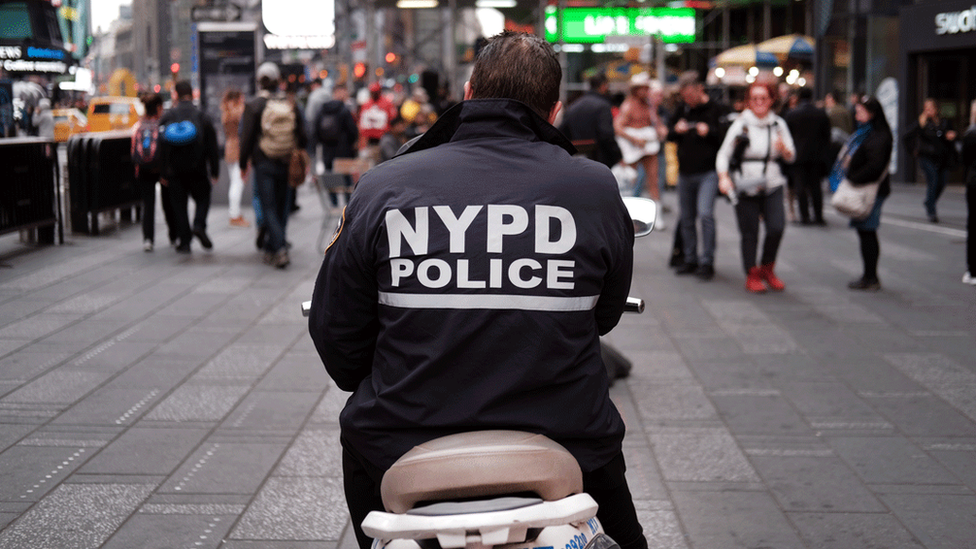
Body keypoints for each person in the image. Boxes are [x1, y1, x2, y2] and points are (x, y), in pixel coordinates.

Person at [308, 31, 645, 549]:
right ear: (553, 112)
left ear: (467, 95)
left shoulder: (385, 185)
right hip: (569, 440)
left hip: (399, 441)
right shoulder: (594, 188)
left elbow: (337, 334)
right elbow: (603, 315)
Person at [717, 82, 796, 293]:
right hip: (746, 184)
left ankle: (768, 268)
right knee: (749, 232)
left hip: (772, 182)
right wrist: (723, 177)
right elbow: (723, 154)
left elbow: (791, 155)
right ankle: (752, 273)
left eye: (764, 98)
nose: (759, 103)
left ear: (772, 100)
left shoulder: (778, 124)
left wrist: (784, 150)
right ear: (749, 101)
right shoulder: (741, 124)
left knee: (776, 227)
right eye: (754, 99)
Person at [239, 62, 308, 268]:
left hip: (264, 162)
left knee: (268, 206)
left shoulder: (254, 105)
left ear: (259, 81)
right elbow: (303, 134)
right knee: (282, 206)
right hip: (287, 161)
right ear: (278, 81)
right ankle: (273, 245)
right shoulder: (290, 104)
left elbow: (247, 137)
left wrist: (244, 163)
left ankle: (279, 248)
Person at [667, 70, 729, 280]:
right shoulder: (683, 108)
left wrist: (708, 130)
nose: (687, 101)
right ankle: (690, 258)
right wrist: (677, 129)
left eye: (689, 96)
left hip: (708, 172)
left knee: (705, 215)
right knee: (686, 218)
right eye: (684, 97)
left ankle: (707, 261)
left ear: (699, 90)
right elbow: (669, 134)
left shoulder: (716, 108)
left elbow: (725, 138)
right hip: (685, 172)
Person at [828, 95, 894, 291]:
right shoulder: (865, 132)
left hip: (870, 189)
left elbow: (874, 166)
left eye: (860, 112)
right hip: (865, 185)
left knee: (867, 231)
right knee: (865, 231)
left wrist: (853, 177)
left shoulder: (878, 136)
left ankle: (871, 276)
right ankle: (869, 275)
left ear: (872, 114)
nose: (856, 115)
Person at [158, 80, 220, 254]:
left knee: (179, 205)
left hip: (175, 171)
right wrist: (214, 170)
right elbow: (212, 146)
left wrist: (163, 172)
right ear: (192, 94)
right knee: (203, 198)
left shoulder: (168, 116)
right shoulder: (201, 116)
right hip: (198, 168)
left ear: (176, 95)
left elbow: (161, 146)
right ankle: (199, 224)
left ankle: (184, 241)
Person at [131, 93, 177, 252]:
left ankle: (148, 239)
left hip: (144, 170)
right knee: (168, 204)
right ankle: (174, 236)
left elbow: (133, 152)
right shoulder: (162, 125)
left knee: (148, 205)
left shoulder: (138, 126)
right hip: (161, 169)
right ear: (158, 108)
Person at [614, 72, 665, 201]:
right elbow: (618, 127)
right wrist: (634, 139)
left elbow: (657, 124)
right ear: (636, 89)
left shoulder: (649, 106)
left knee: (654, 180)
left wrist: (661, 130)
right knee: (631, 180)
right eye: (644, 88)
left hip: (648, 147)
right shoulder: (628, 106)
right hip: (634, 149)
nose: (646, 91)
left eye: (647, 88)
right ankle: (629, 212)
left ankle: (656, 213)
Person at [905, 98, 957, 223]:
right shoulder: (922, 122)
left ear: (936, 109)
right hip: (926, 157)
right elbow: (906, 136)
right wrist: (913, 151)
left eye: (931, 108)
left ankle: (929, 202)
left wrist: (952, 136)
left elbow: (953, 135)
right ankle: (931, 211)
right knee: (933, 180)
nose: (928, 111)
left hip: (943, 158)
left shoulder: (944, 122)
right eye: (926, 108)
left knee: (941, 183)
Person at [784, 86, 832, 225]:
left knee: (800, 187)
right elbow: (826, 136)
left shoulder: (792, 114)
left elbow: (788, 135)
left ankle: (804, 216)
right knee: (816, 187)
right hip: (816, 156)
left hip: (798, 156)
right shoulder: (821, 113)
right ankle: (818, 216)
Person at [557, 73, 622, 169]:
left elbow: (562, 132)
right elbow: (606, 135)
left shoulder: (574, 106)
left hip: (578, 161)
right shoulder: (603, 106)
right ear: (603, 86)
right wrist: (618, 156)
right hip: (600, 160)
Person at [309, 84, 360, 205]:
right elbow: (352, 131)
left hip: (328, 152)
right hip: (345, 152)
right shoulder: (344, 109)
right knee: (347, 180)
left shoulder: (322, 110)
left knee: (331, 178)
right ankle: (348, 208)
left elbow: (315, 132)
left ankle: (334, 204)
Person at [221, 88, 249, 228]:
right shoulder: (239, 112)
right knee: (238, 182)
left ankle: (235, 212)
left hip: (229, 147)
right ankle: (234, 214)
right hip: (238, 148)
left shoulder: (226, 110)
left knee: (235, 180)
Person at [961, 99, 976, 285]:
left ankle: (972, 270)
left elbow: (965, 160)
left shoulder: (971, 134)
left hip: (974, 184)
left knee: (973, 226)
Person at [358, 82, 397, 150]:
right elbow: (361, 121)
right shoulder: (366, 104)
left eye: (375, 92)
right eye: (372, 92)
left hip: (382, 136)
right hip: (368, 137)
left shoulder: (387, 104)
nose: (374, 94)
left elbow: (393, 119)